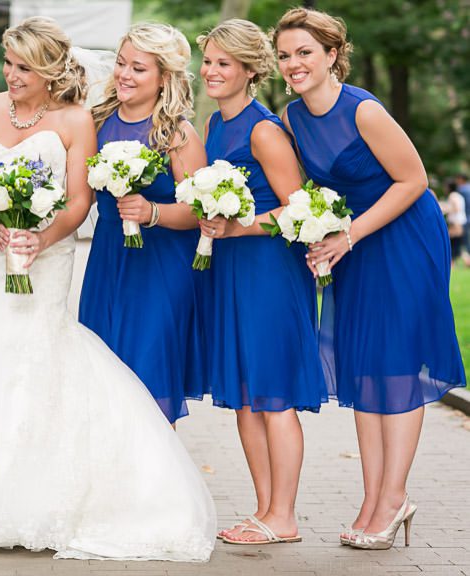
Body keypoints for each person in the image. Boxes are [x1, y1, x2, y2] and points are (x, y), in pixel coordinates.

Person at [0, 17, 216, 562]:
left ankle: (33, 500)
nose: (12, 75)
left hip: (46, 259)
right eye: (9, 64)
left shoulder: (78, 120)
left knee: (33, 363)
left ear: (50, 71)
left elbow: (80, 201)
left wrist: (41, 238)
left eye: (24, 67)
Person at [274, 7, 465, 549]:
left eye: (305, 53)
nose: (294, 64)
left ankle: (394, 497)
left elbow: (413, 180)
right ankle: (371, 500)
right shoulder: (291, 116)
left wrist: (348, 235)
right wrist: (319, 232)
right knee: (364, 362)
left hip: (401, 238)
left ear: (333, 54)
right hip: (350, 242)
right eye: (285, 55)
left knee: (397, 361)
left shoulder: (364, 112)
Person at [196, 19, 328, 545]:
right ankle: (264, 511)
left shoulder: (264, 130)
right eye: (207, 60)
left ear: (251, 71)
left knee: (273, 395)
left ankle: (285, 516)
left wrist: (238, 225)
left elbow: (301, 212)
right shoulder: (213, 125)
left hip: (270, 273)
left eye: (223, 63)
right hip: (231, 270)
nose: (210, 71)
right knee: (248, 398)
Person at [79, 22, 206, 426]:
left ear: (163, 77)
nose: (124, 75)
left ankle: (157, 484)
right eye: (121, 64)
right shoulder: (94, 122)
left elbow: (199, 213)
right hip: (107, 262)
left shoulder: (177, 133)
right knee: (101, 372)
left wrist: (153, 212)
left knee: (148, 373)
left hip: (161, 269)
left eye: (138, 68)